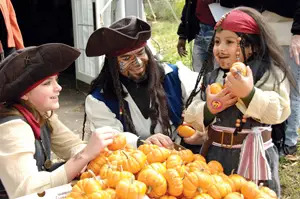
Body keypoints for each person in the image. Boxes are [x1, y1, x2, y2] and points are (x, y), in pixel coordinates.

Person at [183, 7, 296, 196]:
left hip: (254, 155)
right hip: (215, 154)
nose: (220, 48)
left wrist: (249, 94)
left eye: (230, 42)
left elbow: (279, 111)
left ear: (254, 46)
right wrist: (210, 108)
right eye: (217, 41)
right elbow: (190, 114)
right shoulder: (212, 77)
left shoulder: (268, 73)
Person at [0, 43, 117, 198]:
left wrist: (83, 157)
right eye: (47, 83)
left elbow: (71, 145)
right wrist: (84, 156)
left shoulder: (41, 113)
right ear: (24, 94)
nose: (59, 88)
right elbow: (27, 190)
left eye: (56, 80)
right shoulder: (12, 128)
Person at [84, 16, 201, 152]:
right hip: (129, 166)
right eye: (126, 58)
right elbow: (109, 138)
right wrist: (141, 143)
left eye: (140, 53)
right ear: (112, 63)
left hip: (178, 159)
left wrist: (200, 119)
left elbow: (202, 97)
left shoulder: (175, 75)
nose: (138, 63)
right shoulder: (100, 99)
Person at [219, 0, 300, 156]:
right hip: (267, 30)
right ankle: (273, 136)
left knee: (290, 88)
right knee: (267, 85)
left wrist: (298, 33)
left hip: (288, 33)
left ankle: (289, 141)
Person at [177, 0, 216, 72]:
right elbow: (189, 7)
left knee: (219, 74)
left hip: (222, 31)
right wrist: (182, 36)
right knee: (198, 74)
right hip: (200, 30)